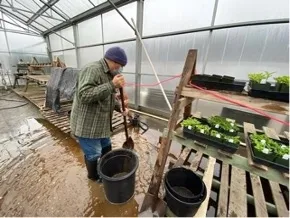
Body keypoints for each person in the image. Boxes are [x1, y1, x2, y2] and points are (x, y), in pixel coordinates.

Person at [70, 46, 129, 181]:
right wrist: (111, 85)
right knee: (93, 155)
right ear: (114, 62)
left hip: (101, 126)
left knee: (107, 149)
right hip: (87, 126)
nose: (120, 69)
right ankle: (94, 178)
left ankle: (107, 173)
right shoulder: (92, 70)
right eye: (120, 65)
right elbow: (84, 95)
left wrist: (121, 109)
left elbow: (109, 98)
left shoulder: (110, 74)